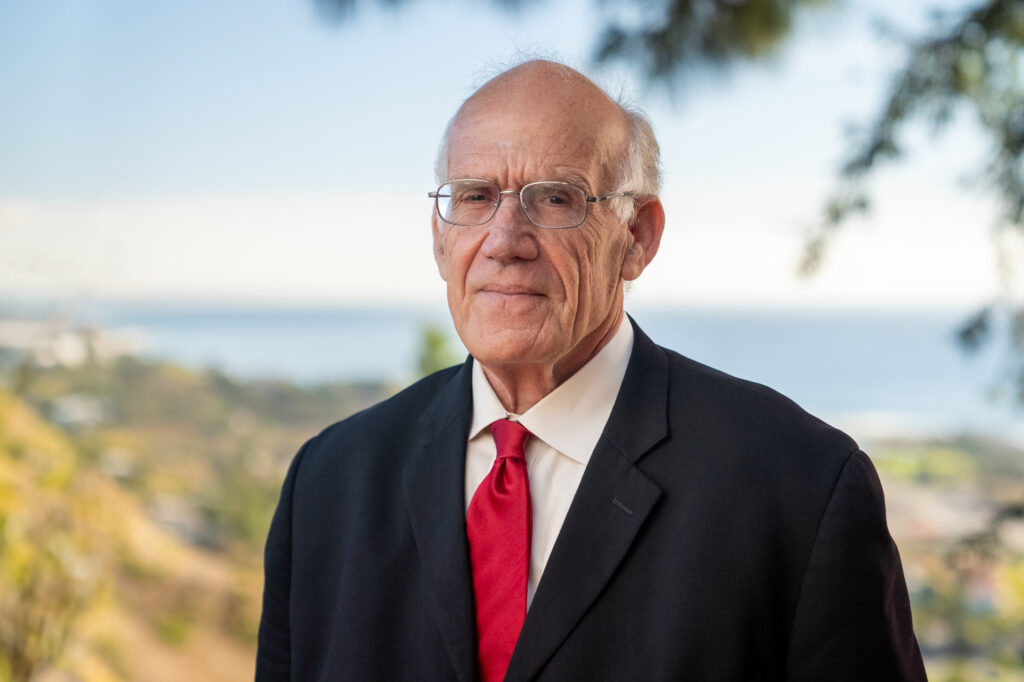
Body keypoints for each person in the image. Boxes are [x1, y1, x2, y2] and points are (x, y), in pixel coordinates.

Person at [255, 59, 927, 681]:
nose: (504, 242)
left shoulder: (800, 487)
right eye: (475, 196)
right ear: (440, 237)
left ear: (637, 237)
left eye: (555, 199)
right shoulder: (327, 482)